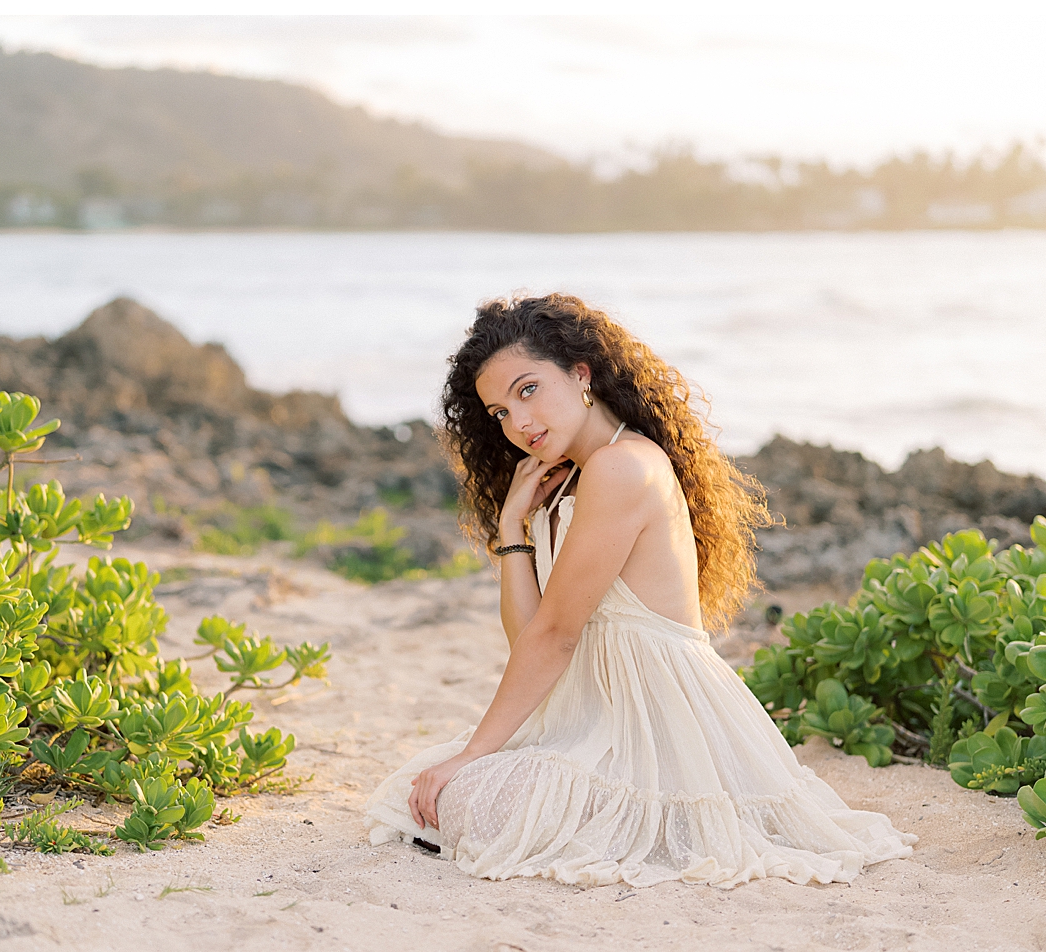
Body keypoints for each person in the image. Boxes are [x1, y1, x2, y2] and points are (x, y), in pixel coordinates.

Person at [363, 293, 916, 889]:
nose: (518, 423)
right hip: (593, 717)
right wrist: (512, 530)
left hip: (659, 725)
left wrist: (473, 753)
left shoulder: (622, 466)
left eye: (528, 390)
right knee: (424, 789)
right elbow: (529, 637)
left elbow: (553, 638)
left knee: (463, 795)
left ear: (581, 373)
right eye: (499, 411)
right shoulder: (568, 477)